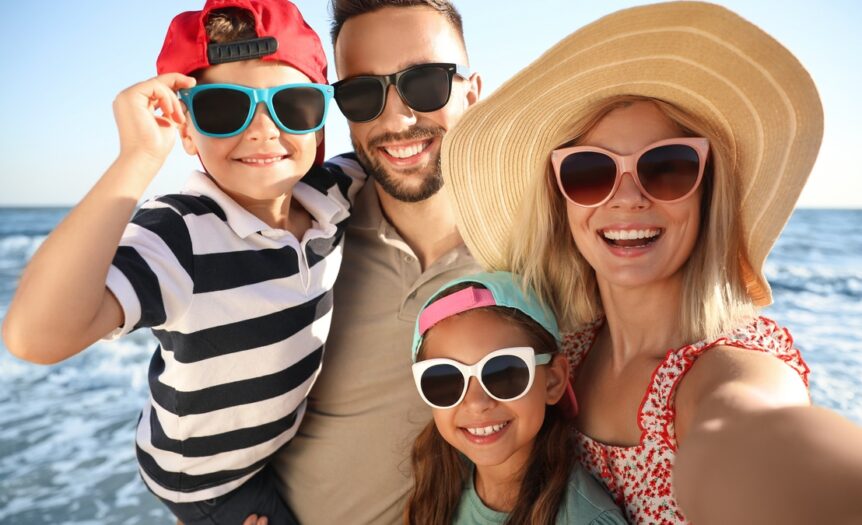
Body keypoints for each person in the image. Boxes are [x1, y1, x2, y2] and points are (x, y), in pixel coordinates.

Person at [441, 2, 862, 524]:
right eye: (590, 172)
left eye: (667, 167)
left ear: (707, 191)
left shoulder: (730, 371)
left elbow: (760, 441)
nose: (628, 199)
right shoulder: (562, 349)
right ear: (562, 201)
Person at [1, 1, 364, 523]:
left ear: (320, 116)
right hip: (208, 480)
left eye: (293, 104)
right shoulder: (178, 234)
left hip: (273, 445)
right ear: (187, 130)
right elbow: (35, 338)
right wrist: (138, 158)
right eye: (223, 108)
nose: (263, 130)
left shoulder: (334, 192)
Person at [269, 1, 483, 524]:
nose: (398, 119)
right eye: (362, 93)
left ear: (472, 93)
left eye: (426, 83)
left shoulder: (541, 242)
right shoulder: (299, 241)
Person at [406, 271, 627, 524]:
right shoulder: (438, 488)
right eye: (445, 378)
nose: (477, 402)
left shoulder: (587, 519)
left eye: (504, 372)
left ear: (553, 381)